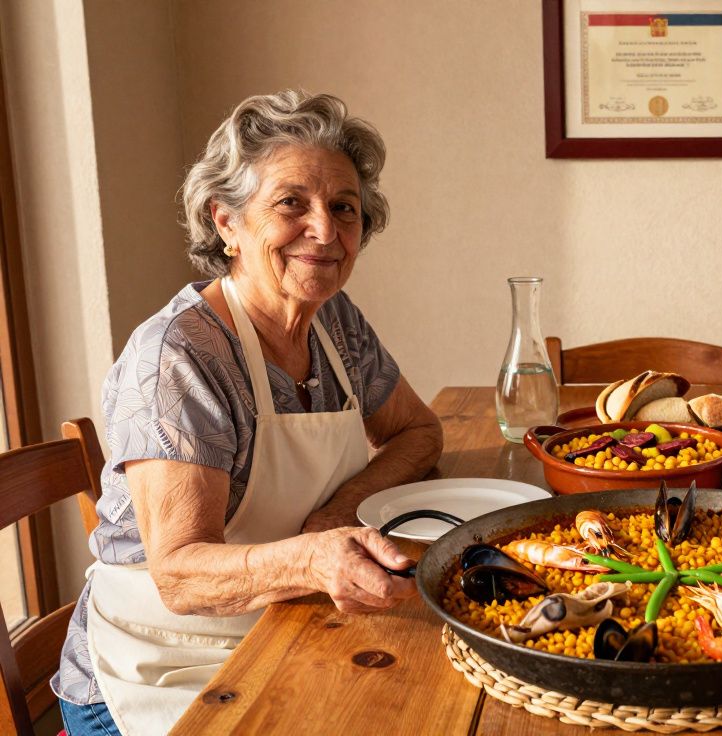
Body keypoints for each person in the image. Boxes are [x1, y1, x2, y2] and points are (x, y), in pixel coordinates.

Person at [51, 90, 444, 736]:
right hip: (156, 670)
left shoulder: (334, 324)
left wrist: (342, 510)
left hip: (283, 626)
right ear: (227, 222)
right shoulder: (181, 357)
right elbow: (178, 574)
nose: (324, 230)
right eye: (292, 203)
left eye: (344, 208)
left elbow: (419, 432)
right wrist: (311, 558)